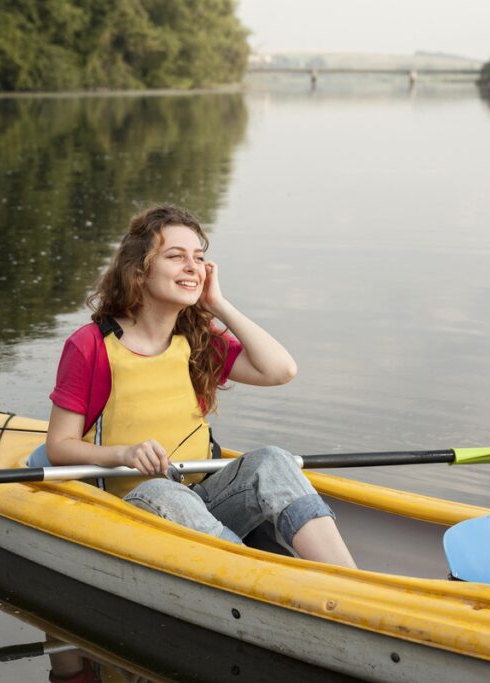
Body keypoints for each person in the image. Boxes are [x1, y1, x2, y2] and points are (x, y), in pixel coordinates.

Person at [33, 203, 356, 569]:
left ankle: (347, 581)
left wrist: (218, 304)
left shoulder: (198, 339)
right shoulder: (90, 345)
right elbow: (59, 447)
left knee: (273, 460)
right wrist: (123, 454)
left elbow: (280, 370)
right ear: (139, 269)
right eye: (175, 256)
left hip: (200, 498)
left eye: (199, 257)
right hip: (129, 509)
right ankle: (266, 579)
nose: (193, 267)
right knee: (164, 492)